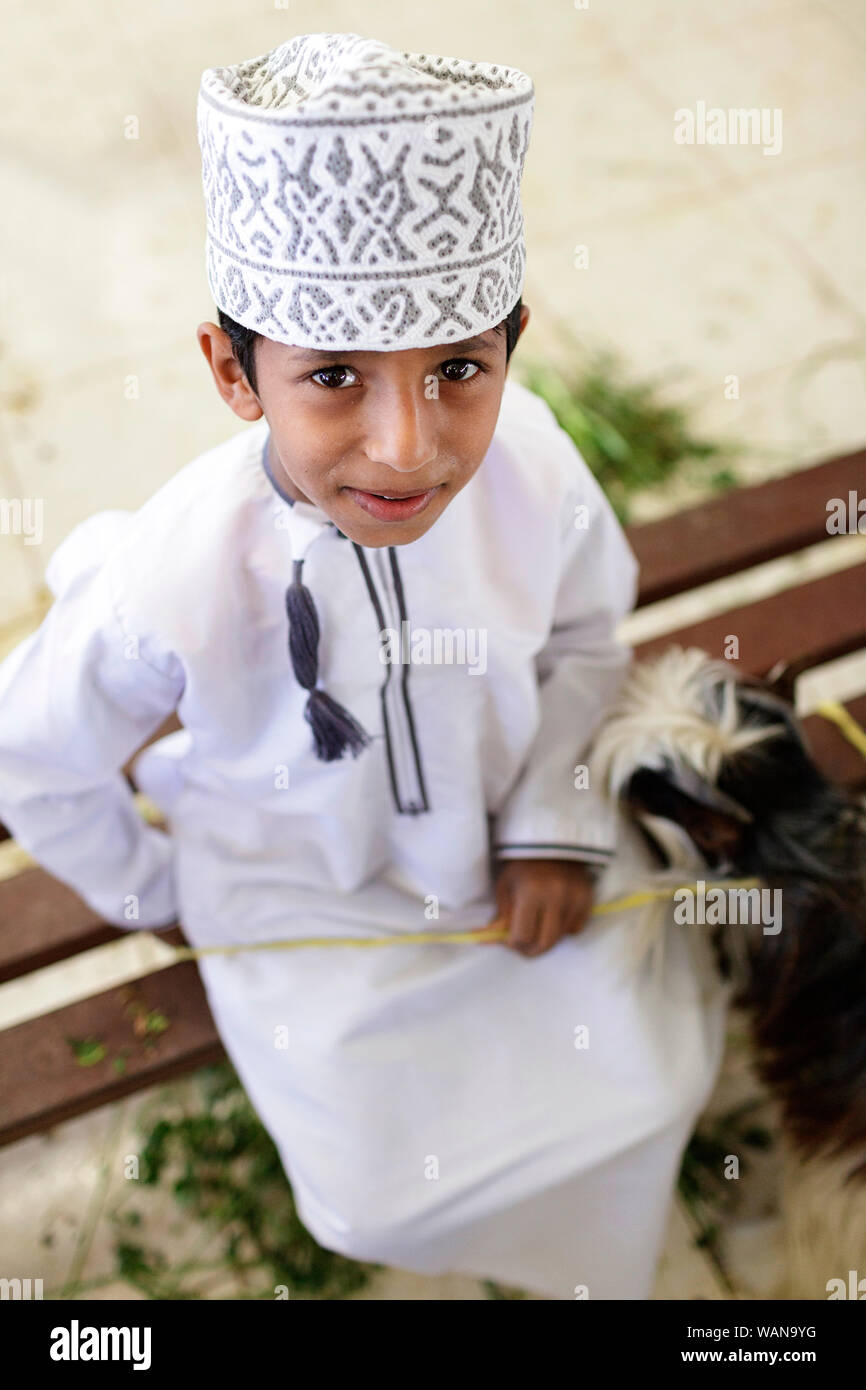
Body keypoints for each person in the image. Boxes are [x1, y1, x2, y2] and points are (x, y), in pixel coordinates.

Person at [0, 32, 728, 1298]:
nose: (407, 447)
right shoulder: (171, 579)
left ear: (513, 343)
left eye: (459, 369)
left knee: (650, 1072)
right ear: (233, 371)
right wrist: (161, 891)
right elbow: (35, 762)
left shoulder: (536, 462)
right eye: (332, 376)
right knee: (379, 1185)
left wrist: (553, 820)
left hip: (510, 847)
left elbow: (583, 637)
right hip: (303, 897)